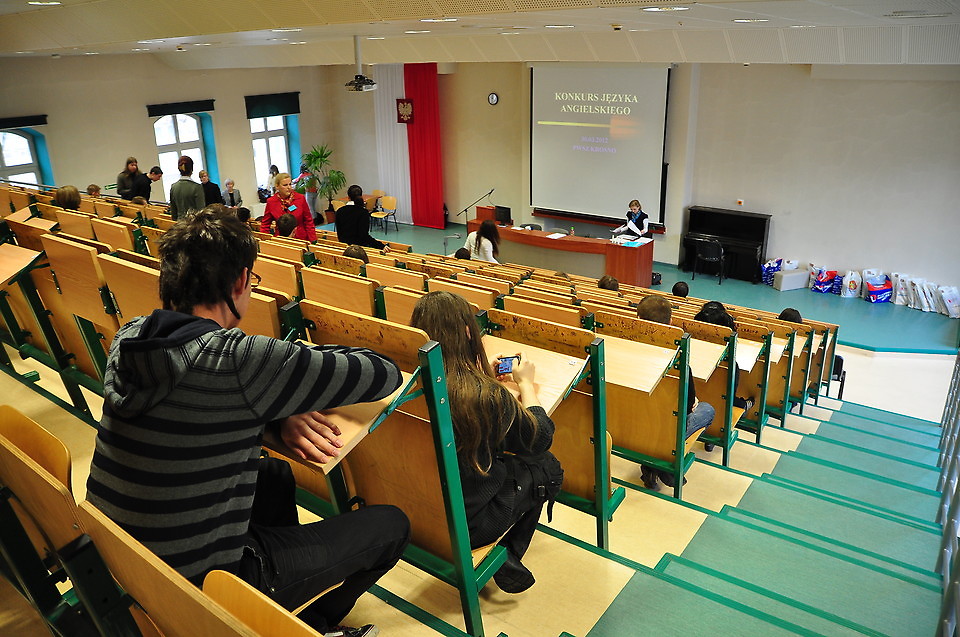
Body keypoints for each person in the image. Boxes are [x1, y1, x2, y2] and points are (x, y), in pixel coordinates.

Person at [85, 206, 409, 636]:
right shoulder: (240, 361)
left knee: (273, 474)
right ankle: (302, 625)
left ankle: (291, 615)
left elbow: (197, 405)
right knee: (391, 526)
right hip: (196, 588)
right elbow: (382, 372)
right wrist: (279, 397)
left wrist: (275, 412)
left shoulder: (130, 336)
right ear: (240, 282)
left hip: (121, 560)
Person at [410, 291, 562, 594]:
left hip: (421, 508)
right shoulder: (483, 397)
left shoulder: (408, 382)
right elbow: (539, 438)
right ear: (468, 332)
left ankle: (503, 557)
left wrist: (481, 377)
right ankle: (502, 555)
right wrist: (525, 385)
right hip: (467, 523)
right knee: (548, 466)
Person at [635, 295, 715, 490]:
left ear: (637, 319)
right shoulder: (679, 364)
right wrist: (692, 402)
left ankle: (652, 466)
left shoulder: (623, 350)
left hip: (630, 422)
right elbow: (687, 408)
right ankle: (660, 463)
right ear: (671, 323)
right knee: (707, 410)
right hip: (663, 428)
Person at [693, 303, 754, 452]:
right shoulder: (730, 367)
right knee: (729, 399)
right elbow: (729, 397)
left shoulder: (687, 355)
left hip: (690, 408)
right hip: (713, 416)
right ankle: (741, 407)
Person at [261, 173, 316, 241]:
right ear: (277, 186)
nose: (289, 187)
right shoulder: (271, 201)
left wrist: (313, 240)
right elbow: (265, 224)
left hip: (300, 239)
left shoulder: (300, 198)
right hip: (281, 240)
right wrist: (265, 240)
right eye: (285, 185)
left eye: (290, 184)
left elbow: (308, 221)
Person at [335, 185, 384, 249]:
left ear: (348, 197)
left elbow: (339, 233)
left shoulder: (339, 211)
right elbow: (364, 236)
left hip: (344, 247)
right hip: (359, 249)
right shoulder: (363, 212)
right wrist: (381, 246)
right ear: (361, 196)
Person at [168, 155, 205, 221]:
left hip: (180, 224)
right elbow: (201, 212)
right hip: (193, 224)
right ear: (191, 169)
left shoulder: (173, 187)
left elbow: (173, 213)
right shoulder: (197, 187)